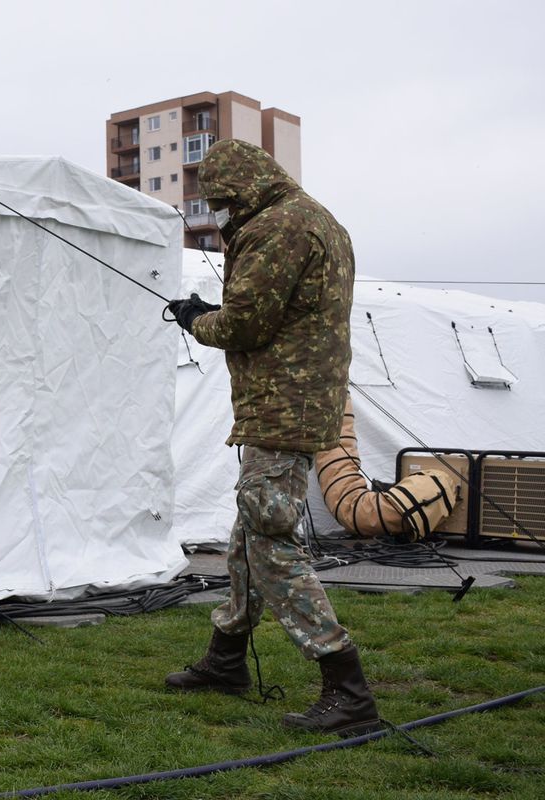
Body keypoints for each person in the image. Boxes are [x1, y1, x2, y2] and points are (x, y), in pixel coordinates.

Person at [164, 139, 381, 736]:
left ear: (241, 190)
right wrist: (220, 307)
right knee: (248, 533)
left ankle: (346, 685)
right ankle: (226, 661)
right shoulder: (318, 220)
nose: (222, 213)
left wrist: (197, 319)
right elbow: (284, 310)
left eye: (223, 203)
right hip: (302, 398)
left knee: (271, 541)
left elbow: (247, 323)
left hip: (279, 407)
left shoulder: (275, 228)